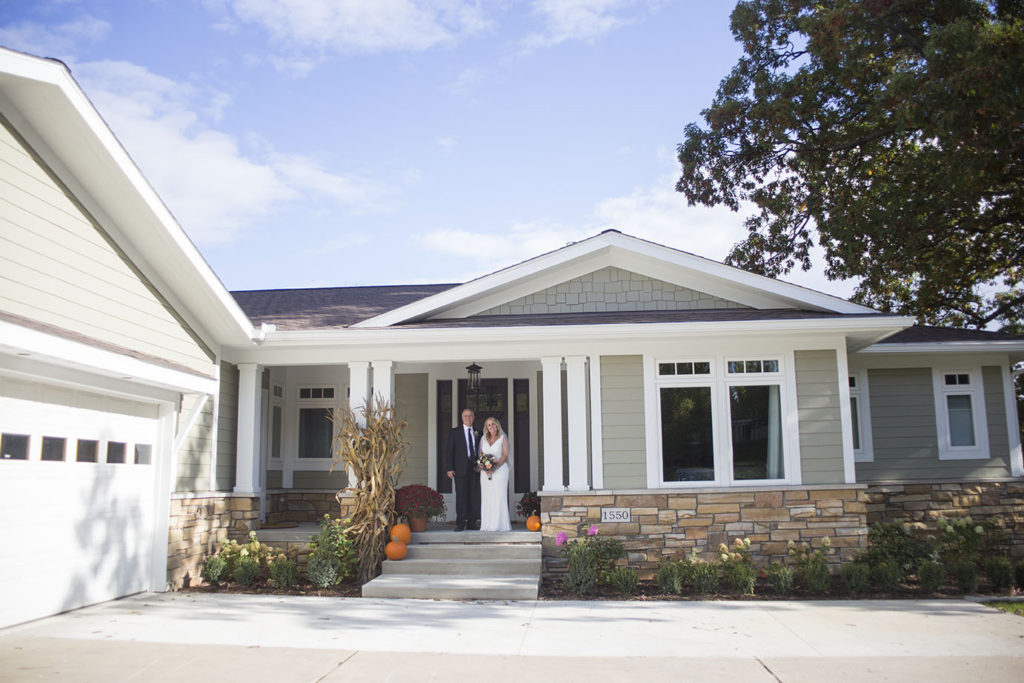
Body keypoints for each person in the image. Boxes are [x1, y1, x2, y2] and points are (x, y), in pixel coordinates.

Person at [445, 408, 480, 531]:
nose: (468, 418)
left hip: (475, 468)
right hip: (460, 468)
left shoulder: (478, 432)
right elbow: (450, 452)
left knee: (473, 496)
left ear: (473, 417)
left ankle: (472, 522)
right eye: (465, 416)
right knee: (461, 496)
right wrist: (450, 468)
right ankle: (460, 523)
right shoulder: (455, 432)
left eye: (470, 416)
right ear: (462, 418)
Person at [478, 416, 511, 532]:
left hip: (500, 470)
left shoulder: (503, 437)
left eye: (493, 424)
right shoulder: (483, 439)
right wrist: (485, 467)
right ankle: (487, 525)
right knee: (487, 497)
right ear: (486, 427)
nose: (491, 427)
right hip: (485, 473)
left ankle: (500, 525)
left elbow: (505, 455)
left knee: (499, 496)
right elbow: (482, 455)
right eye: (488, 425)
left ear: (497, 425)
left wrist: (494, 467)